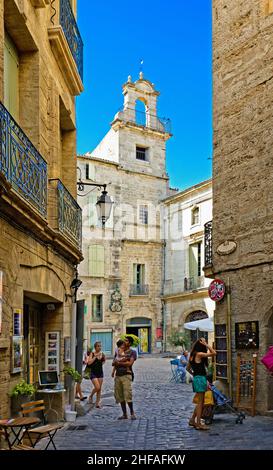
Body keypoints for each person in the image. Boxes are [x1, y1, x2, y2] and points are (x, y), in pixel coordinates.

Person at [188, 337, 216, 430]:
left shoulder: (192, 355)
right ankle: (198, 423)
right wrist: (206, 345)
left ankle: (192, 420)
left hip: (197, 378)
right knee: (201, 402)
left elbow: (188, 368)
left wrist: (195, 375)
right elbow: (214, 353)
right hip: (200, 379)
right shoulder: (199, 354)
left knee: (201, 402)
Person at [112, 336, 137, 420]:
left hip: (127, 375)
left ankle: (132, 413)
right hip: (118, 375)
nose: (124, 342)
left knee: (127, 394)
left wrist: (118, 363)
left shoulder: (132, 352)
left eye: (126, 341)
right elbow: (113, 363)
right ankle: (124, 414)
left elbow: (130, 363)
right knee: (120, 395)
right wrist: (117, 364)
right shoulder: (118, 351)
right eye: (124, 340)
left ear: (129, 343)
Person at [86, 341, 106, 408]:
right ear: (95, 347)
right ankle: (91, 396)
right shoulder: (92, 354)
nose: (99, 347)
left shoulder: (102, 354)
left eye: (100, 346)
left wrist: (101, 360)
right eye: (98, 346)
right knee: (97, 387)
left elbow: (103, 362)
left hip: (100, 373)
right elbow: (89, 363)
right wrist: (95, 357)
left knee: (99, 389)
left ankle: (97, 403)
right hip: (93, 373)